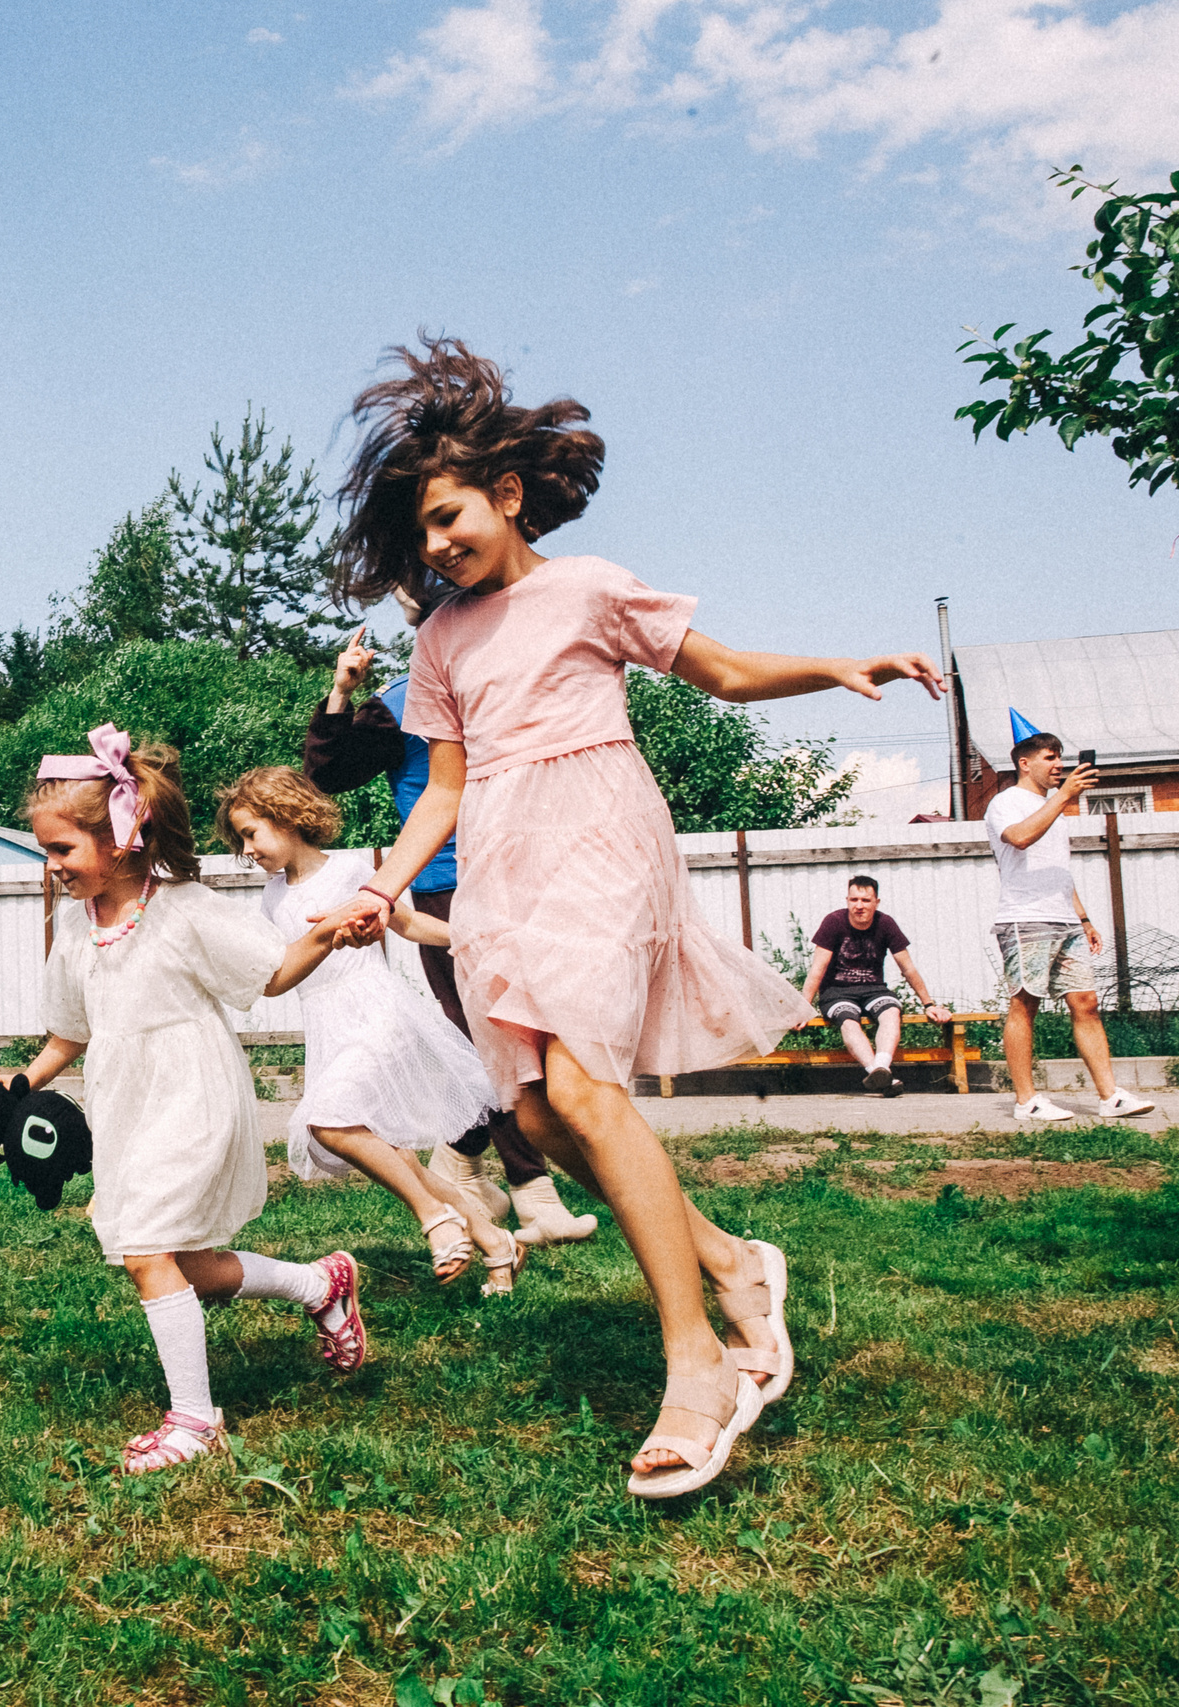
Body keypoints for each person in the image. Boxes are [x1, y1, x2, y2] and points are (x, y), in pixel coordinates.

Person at [311, 338, 942, 1497]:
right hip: (499, 852)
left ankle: (697, 1364)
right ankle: (732, 1261)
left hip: (601, 831)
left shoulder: (590, 587)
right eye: (421, 538)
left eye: (451, 517)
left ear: (504, 494)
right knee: (542, 1120)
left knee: (590, 1094)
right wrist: (383, 884)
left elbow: (723, 672)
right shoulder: (437, 639)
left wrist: (840, 666)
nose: (440, 545)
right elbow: (442, 789)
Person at [21, 726, 356, 1475]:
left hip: (194, 1096)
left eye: (62, 850)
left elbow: (268, 975)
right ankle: (319, 1282)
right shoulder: (77, 932)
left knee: (146, 1252)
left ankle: (195, 1419)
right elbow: (67, 1033)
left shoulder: (184, 907)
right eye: (45, 851)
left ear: (120, 836)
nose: (52, 867)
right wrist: (18, 1084)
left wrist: (330, 932)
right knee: (185, 1261)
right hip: (127, 1108)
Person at [305, 623, 597, 1245]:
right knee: (489, 1034)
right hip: (449, 885)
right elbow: (328, 773)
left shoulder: (511, 683)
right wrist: (341, 692)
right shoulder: (404, 700)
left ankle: (460, 1161)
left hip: (526, 876)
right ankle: (533, 1194)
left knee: (528, 1030)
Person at [217, 766, 523, 1293]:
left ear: (289, 818)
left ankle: (436, 1217)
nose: (247, 849)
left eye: (251, 832)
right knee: (387, 1150)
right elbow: (283, 966)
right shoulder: (271, 897)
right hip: (328, 1026)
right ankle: (496, 1242)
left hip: (376, 1012)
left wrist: (469, 942)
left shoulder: (351, 870)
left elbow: (404, 923)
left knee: (329, 1121)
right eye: (240, 838)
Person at [983, 732, 1155, 1122]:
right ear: (1025, 763)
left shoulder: (1052, 807)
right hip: (1024, 917)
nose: (1058, 764)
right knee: (1025, 1003)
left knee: (1086, 1004)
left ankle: (1110, 1097)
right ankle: (1026, 1101)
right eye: (1049, 757)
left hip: (1064, 920)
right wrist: (1064, 798)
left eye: (1060, 757)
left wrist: (1083, 918)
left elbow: (1057, 869)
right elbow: (1020, 838)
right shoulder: (1006, 802)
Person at [800, 875, 950, 1095]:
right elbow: (817, 969)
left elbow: (907, 968)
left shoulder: (885, 923)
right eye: (854, 900)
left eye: (866, 900)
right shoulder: (833, 922)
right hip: (837, 992)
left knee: (891, 1012)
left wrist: (929, 1004)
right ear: (847, 900)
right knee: (848, 1021)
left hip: (874, 989)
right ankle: (881, 1075)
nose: (859, 906)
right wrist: (803, 1007)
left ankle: (879, 1068)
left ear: (876, 902)